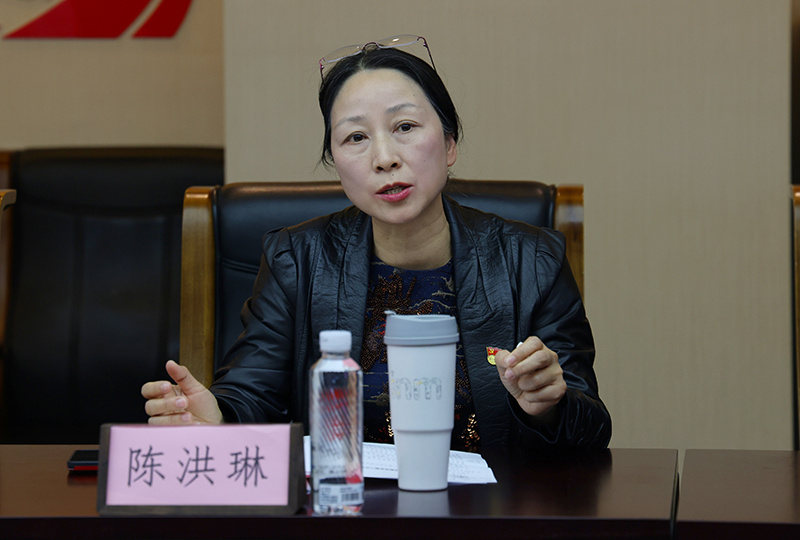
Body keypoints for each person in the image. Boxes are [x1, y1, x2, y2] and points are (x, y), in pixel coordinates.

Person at [142, 35, 611, 450]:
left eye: (405, 127)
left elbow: (591, 429)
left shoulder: (533, 260)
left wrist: (549, 405)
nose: (384, 158)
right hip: (345, 504)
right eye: (356, 137)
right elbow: (252, 394)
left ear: (449, 144)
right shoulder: (297, 260)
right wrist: (218, 420)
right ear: (336, 164)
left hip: (490, 508)